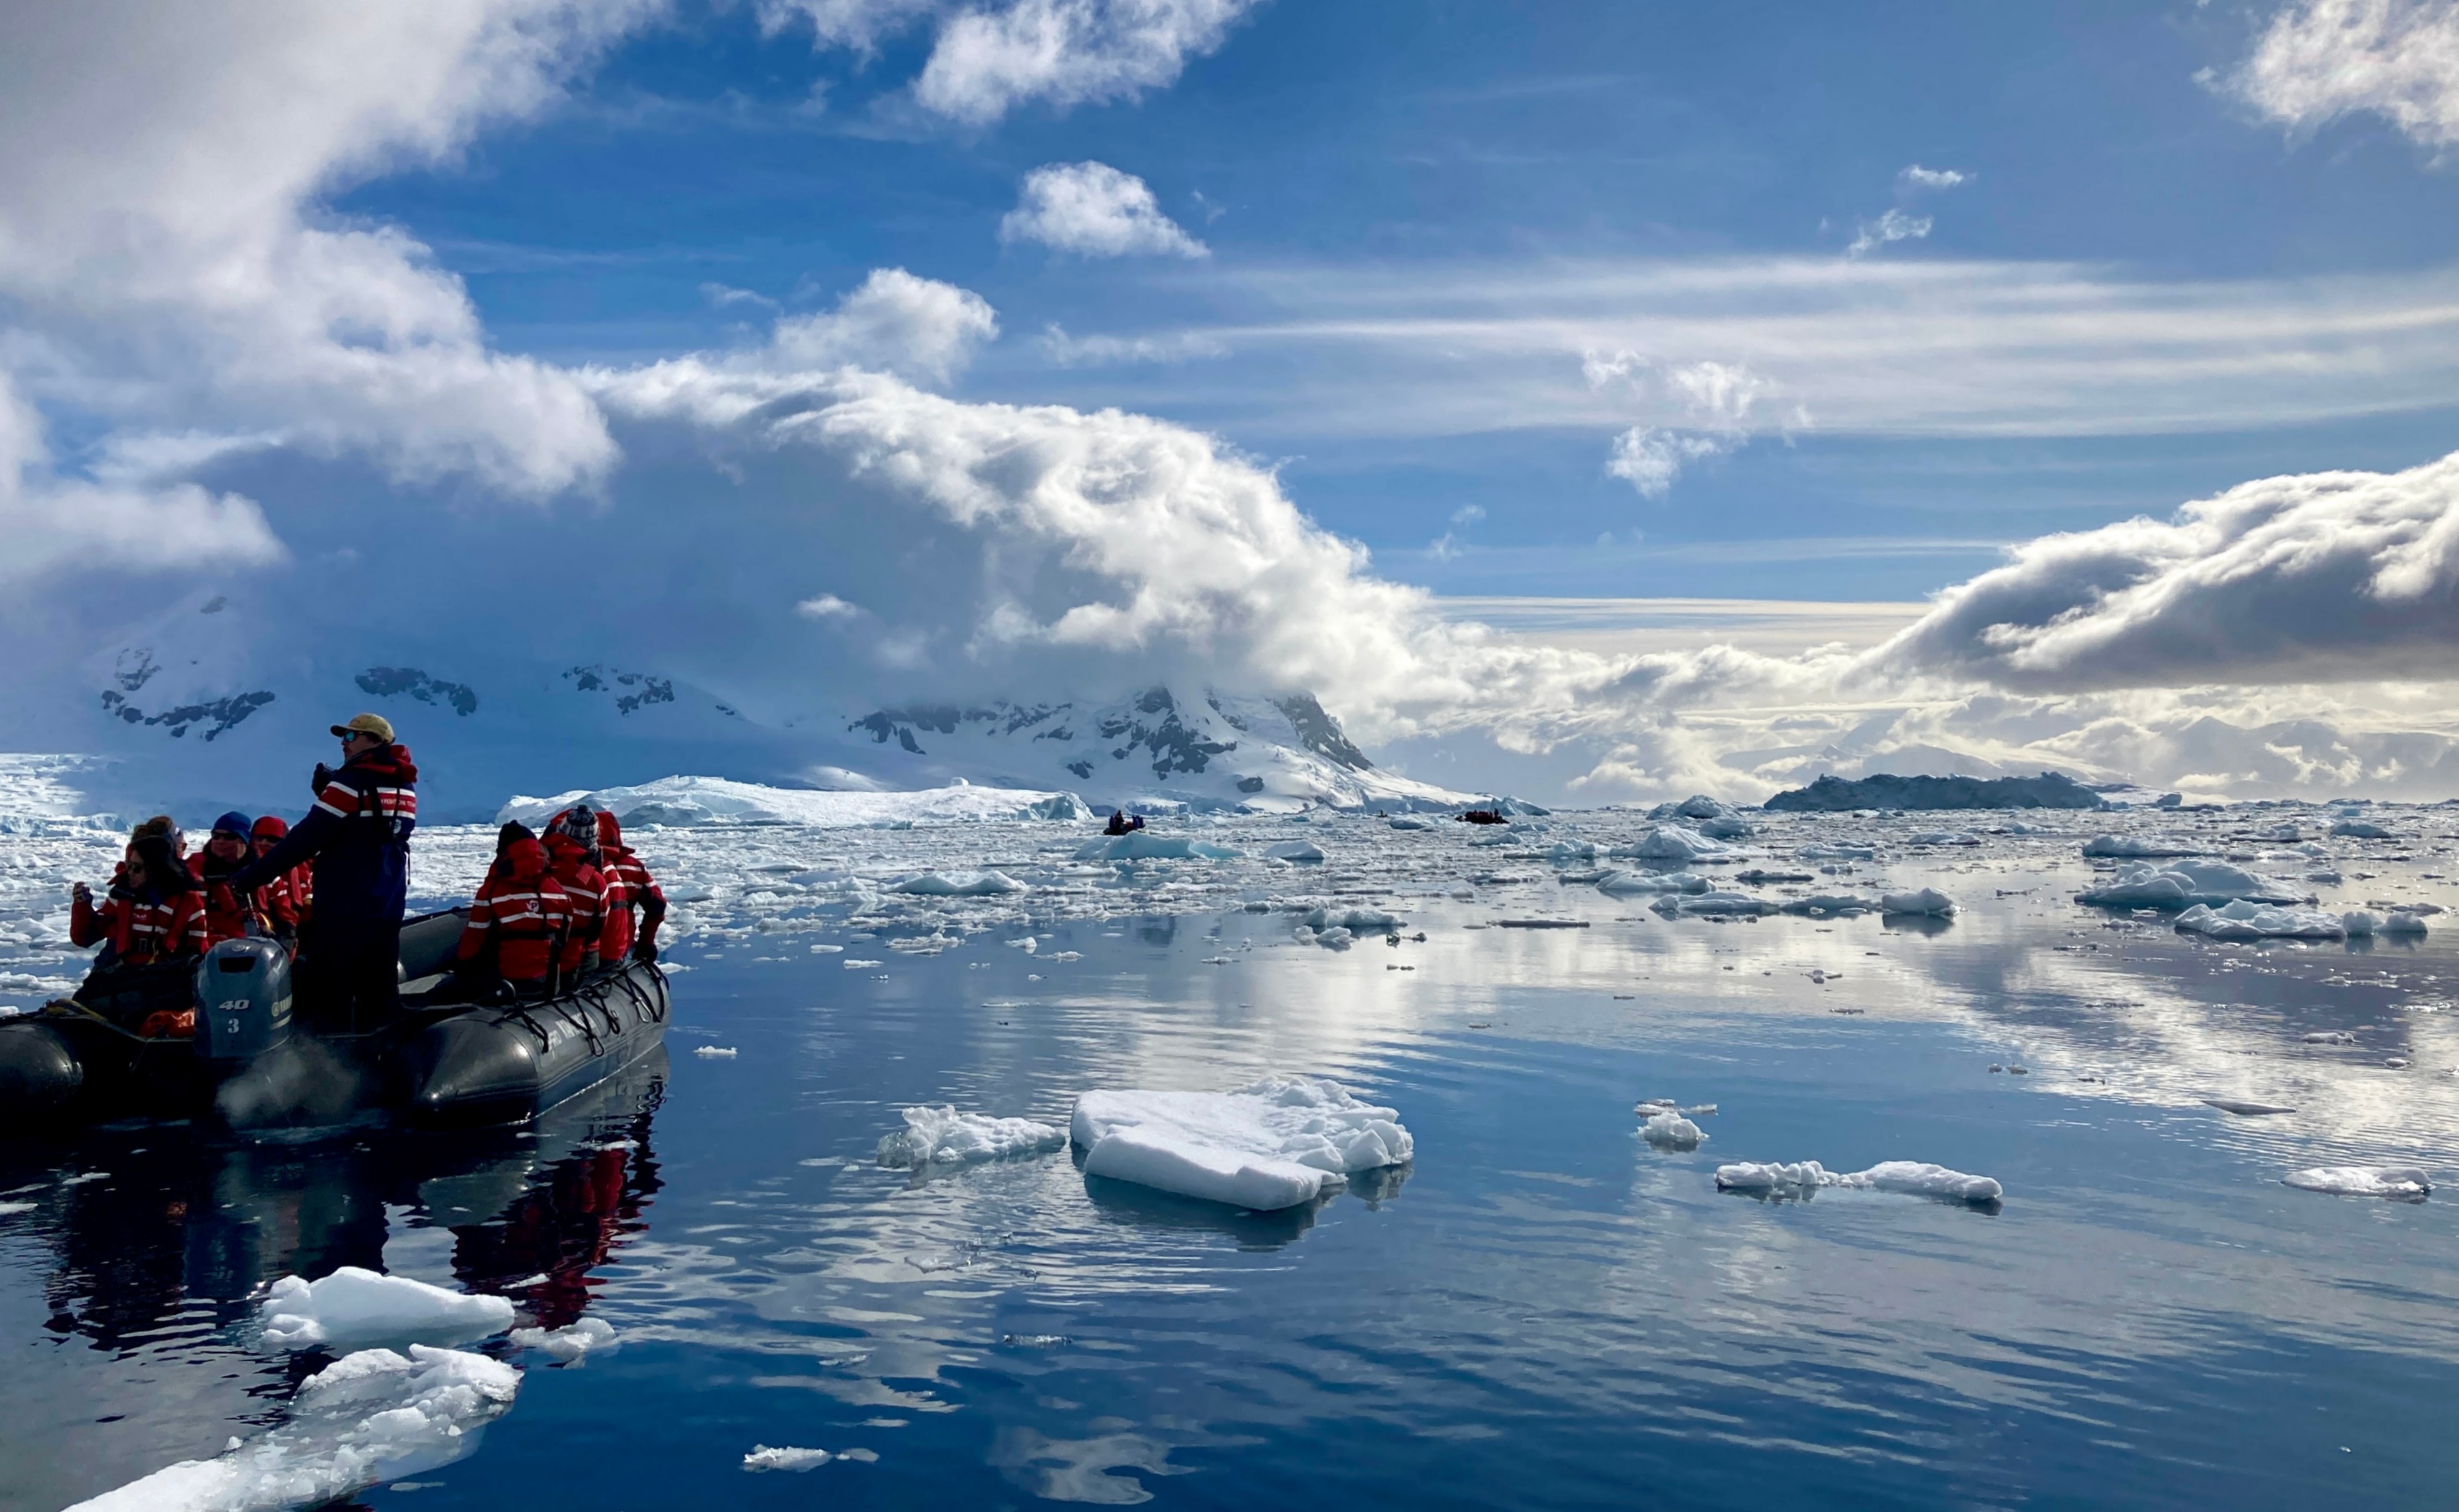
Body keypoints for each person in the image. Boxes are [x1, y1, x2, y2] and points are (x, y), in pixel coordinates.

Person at [230, 713, 418, 1034]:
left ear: (374, 742)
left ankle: (329, 1067)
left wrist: (252, 877)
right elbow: (371, 831)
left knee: (332, 993)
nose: (343, 745)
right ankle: (384, 1062)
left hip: (344, 905)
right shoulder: (405, 785)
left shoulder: (351, 783)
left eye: (350, 737)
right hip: (386, 904)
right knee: (380, 990)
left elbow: (305, 839)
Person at [71, 825, 207, 970]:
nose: (129, 872)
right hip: (123, 974)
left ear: (155, 868)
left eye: (136, 867)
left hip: (169, 977)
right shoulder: (123, 897)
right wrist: (82, 906)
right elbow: (85, 938)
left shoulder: (188, 902)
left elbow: (198, 952)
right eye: (129, 866)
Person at [453, 835, 571, 996]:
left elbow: (475, 937)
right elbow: (564, 936)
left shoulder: (492, 890)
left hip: (505, 981)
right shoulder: (557, 890)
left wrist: (462, 967)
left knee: (449, 990)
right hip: (547, 983)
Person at [541, 806, 607, 976]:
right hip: (571, 964)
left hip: (530, 965)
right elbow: (597, 929)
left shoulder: (537, 868)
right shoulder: (596, 882)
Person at [593, 810, 665, 965]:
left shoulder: (569, 865)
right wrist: (647, 942)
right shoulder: (633, 867)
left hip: (575, 957)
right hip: (620, 950)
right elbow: (657, 905)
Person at [194, 811, 257, 946]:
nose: (219, 842)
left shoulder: (260, 870)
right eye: (216, 836)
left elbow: (282, 913)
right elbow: (192, 916)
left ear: (243, 841)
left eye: (228, 837)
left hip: (254, 945)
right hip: (212, 947)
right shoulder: (196, 867)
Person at [249, 815, 311, 944]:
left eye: (272, 840)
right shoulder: (242, 870)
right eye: (259, 838)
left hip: (300, 934)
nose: (264, 843)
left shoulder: (304, 868)